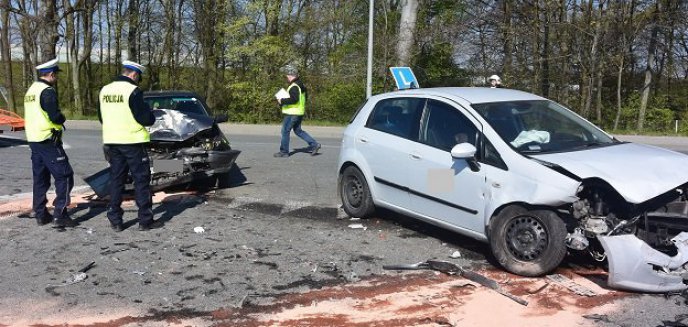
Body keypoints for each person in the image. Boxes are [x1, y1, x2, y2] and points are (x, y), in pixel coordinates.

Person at [98, 60, 163, 232]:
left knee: (116, 180)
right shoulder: (132, 91)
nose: (137, 81)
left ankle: (115, 220)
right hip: (132, 142)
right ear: (134, 74)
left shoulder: (105, 90)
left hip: (112, 142)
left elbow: (101, 117)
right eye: (138, 78)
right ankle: (145, 220)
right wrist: (151, 115)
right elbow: (145, 119)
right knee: (141, 180)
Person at [23, 58, 77, 228]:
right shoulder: (47, 91)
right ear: (52, 74)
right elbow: (54, 116)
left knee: (40, 178)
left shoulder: (32, 90)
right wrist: (62, 118)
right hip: (48, 139)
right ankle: (60, 215)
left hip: (34, 139)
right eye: (56, 75)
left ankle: (41, 214)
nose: (57, 79)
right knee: (65, 175)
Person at [274, 65, 321, 158]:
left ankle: (284, 152)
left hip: (292, 113)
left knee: (285, 131)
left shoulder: (294, 86)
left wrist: (281, 101)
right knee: (298, 131)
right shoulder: (301, 85)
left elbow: (294, 99)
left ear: (292, 75)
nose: (287, 76)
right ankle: (314, 144)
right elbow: (303, 98)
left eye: (288, 74)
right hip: (299, 112)